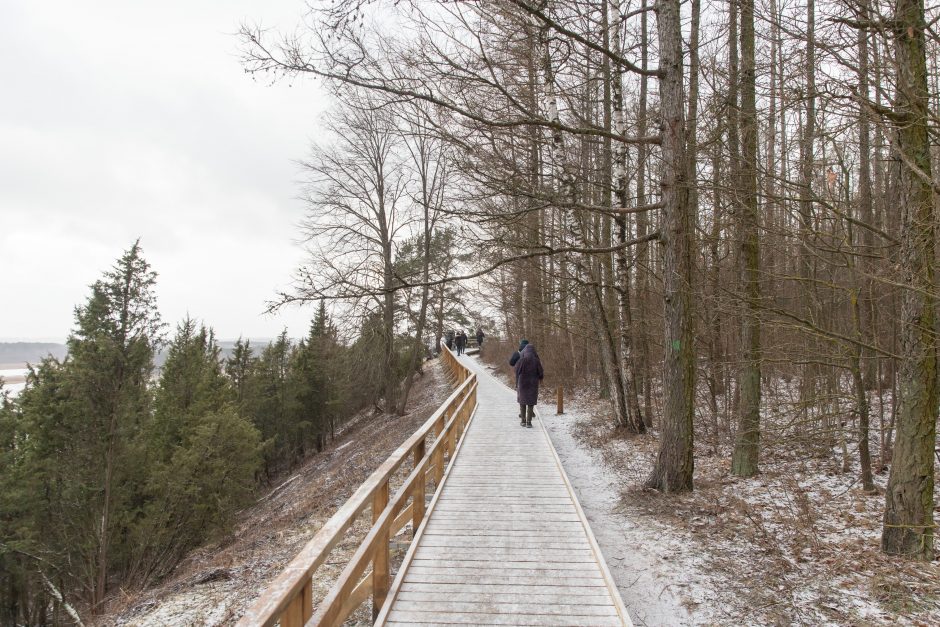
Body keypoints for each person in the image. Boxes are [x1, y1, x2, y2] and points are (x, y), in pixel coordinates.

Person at [514, 343, 543, 428]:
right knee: (530, 403)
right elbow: (541, 372)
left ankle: (523, 421)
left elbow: (516, 370)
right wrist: (540, 377)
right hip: (533, 384)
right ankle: (529, 422)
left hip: (522, 384)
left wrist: (517, 381)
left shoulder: (522, 360)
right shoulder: (536, 361)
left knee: (522, 402)